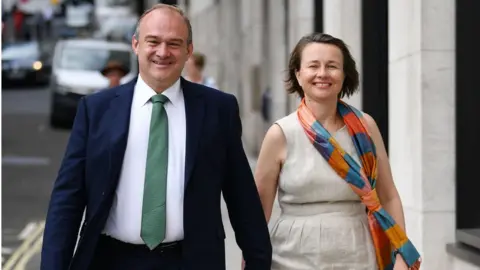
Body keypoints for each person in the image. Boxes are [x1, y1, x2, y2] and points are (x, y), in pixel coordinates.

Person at [41, 4, 272, 270]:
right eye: (154, 41)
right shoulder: (96, 110)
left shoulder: (218, 109)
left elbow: (241, 195)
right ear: (136, 44)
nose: (163, 52)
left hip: (191, 261)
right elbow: (67, 199)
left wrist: (257, 261)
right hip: (110, 261)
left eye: (174, 43)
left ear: (189, 51)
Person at [254, 33, 421, 270]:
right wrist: (252, 259)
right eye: (313, 66)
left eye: (332, 66)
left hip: (358, 254)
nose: (322, 73)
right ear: (298, 75)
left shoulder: (366, 127)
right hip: (291, 256)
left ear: (344, 75)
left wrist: (402, 254)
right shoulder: (280, 133)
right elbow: (260, 209)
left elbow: (388, 195)